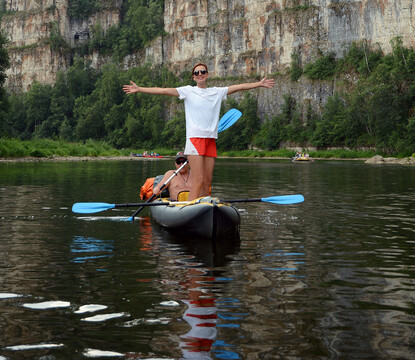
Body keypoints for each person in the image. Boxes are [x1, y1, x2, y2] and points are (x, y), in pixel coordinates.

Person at [123, 63, 275, 200]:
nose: (200, 74)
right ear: (193, 77)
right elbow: (163, 91)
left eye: (203, 72)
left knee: (207, 181)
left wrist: (259, 84)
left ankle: (203, 205)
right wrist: (139, 89)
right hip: (195, 139)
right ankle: (190, 207)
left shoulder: (217, 92)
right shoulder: (188, 91)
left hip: (210, 140)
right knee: (198, 179)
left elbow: (239, 86)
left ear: (207, 75)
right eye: (197, 73)